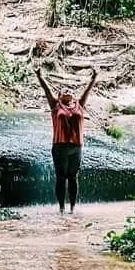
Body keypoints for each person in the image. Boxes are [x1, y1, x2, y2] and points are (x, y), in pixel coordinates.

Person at [34, 61, 97, 213]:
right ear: (60, 96)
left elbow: (88, 90)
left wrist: (94, 77)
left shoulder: (79, 105)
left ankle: (73, 208)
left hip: (76, 146)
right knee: (61, 177)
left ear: (73, 96)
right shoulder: (56, 106)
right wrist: (39, 76)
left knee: (73, 177)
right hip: (60, 146)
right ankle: (61, 207)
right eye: (63, 90)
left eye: (70, 89)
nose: (67, 90)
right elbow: (46, 90)